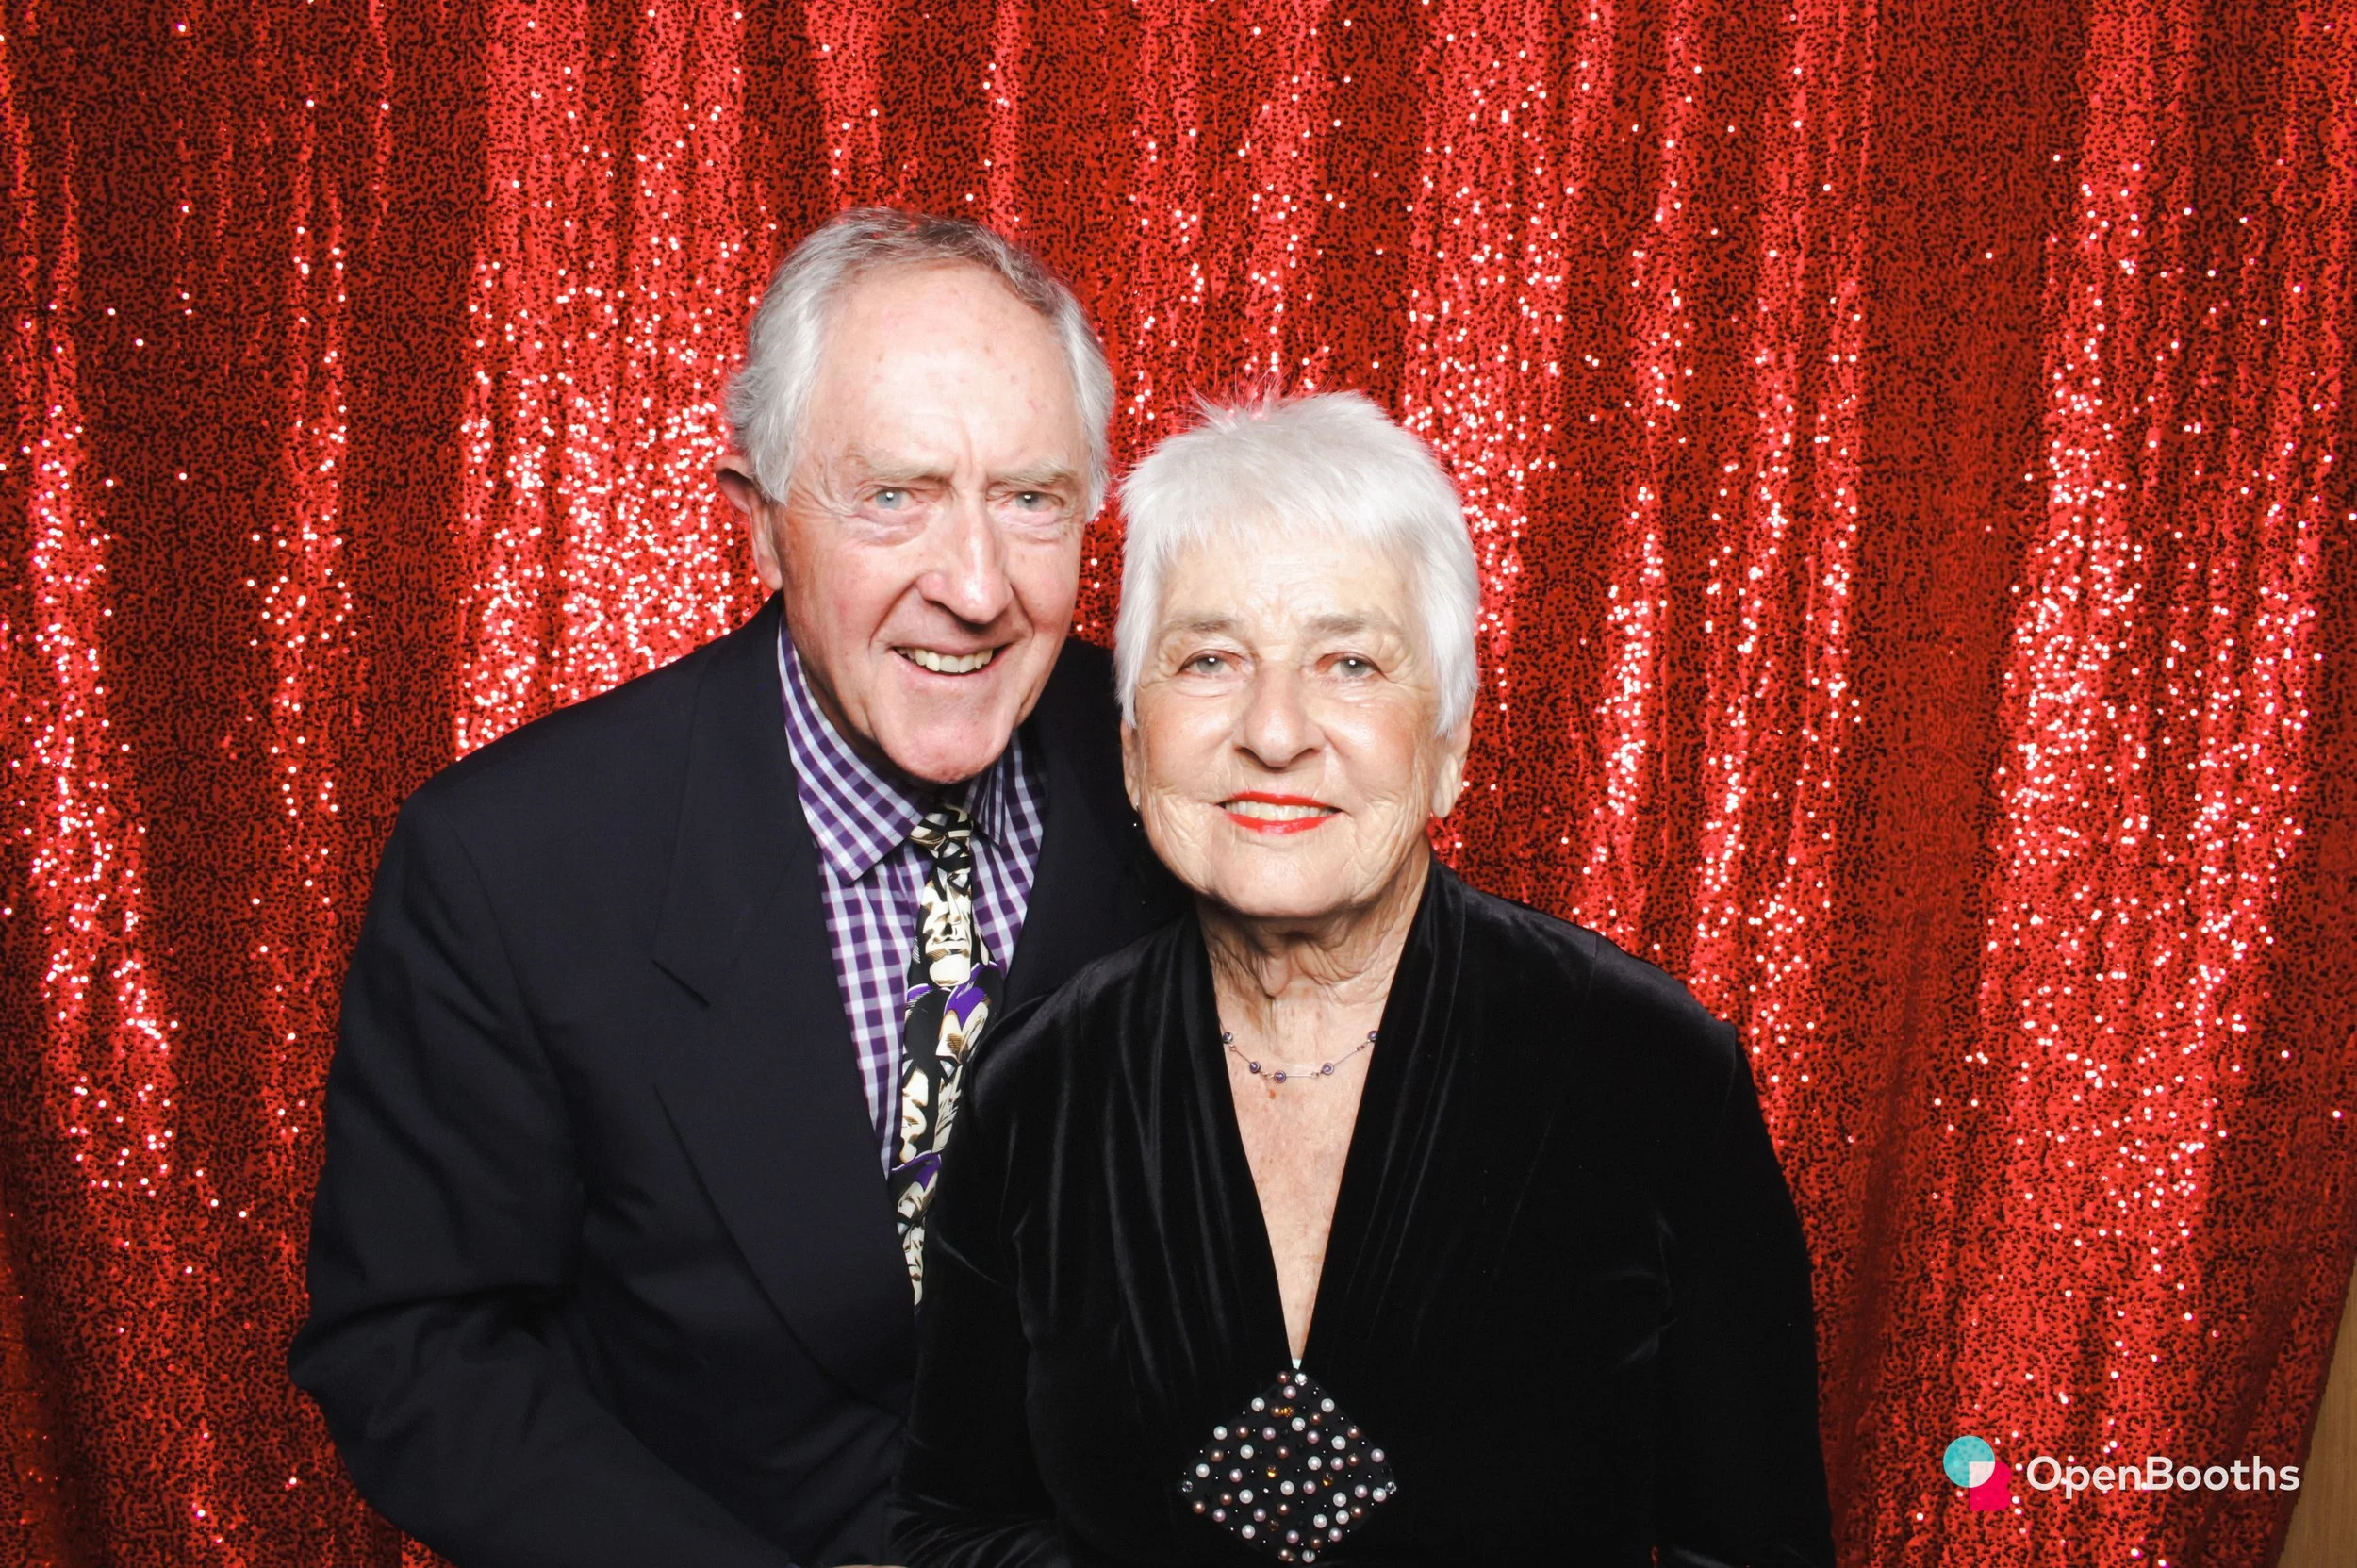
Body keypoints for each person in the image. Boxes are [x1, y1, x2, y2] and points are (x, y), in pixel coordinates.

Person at [289, 209, 1180, 1567]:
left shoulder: (1186, 774)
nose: (977, 583)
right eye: (896, 493)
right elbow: (415, 1348)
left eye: (1032, 498)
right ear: (758, 523)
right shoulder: (510, 863)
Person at [889, 391, 1836, 1567]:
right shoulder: (1040, 1083)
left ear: (1449, 741)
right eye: (1208, 659)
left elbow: (1754, 1547)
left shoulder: (1647, 1067)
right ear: (1133, 744)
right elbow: (948, 1527)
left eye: (1348, 661)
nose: (1274, 729)